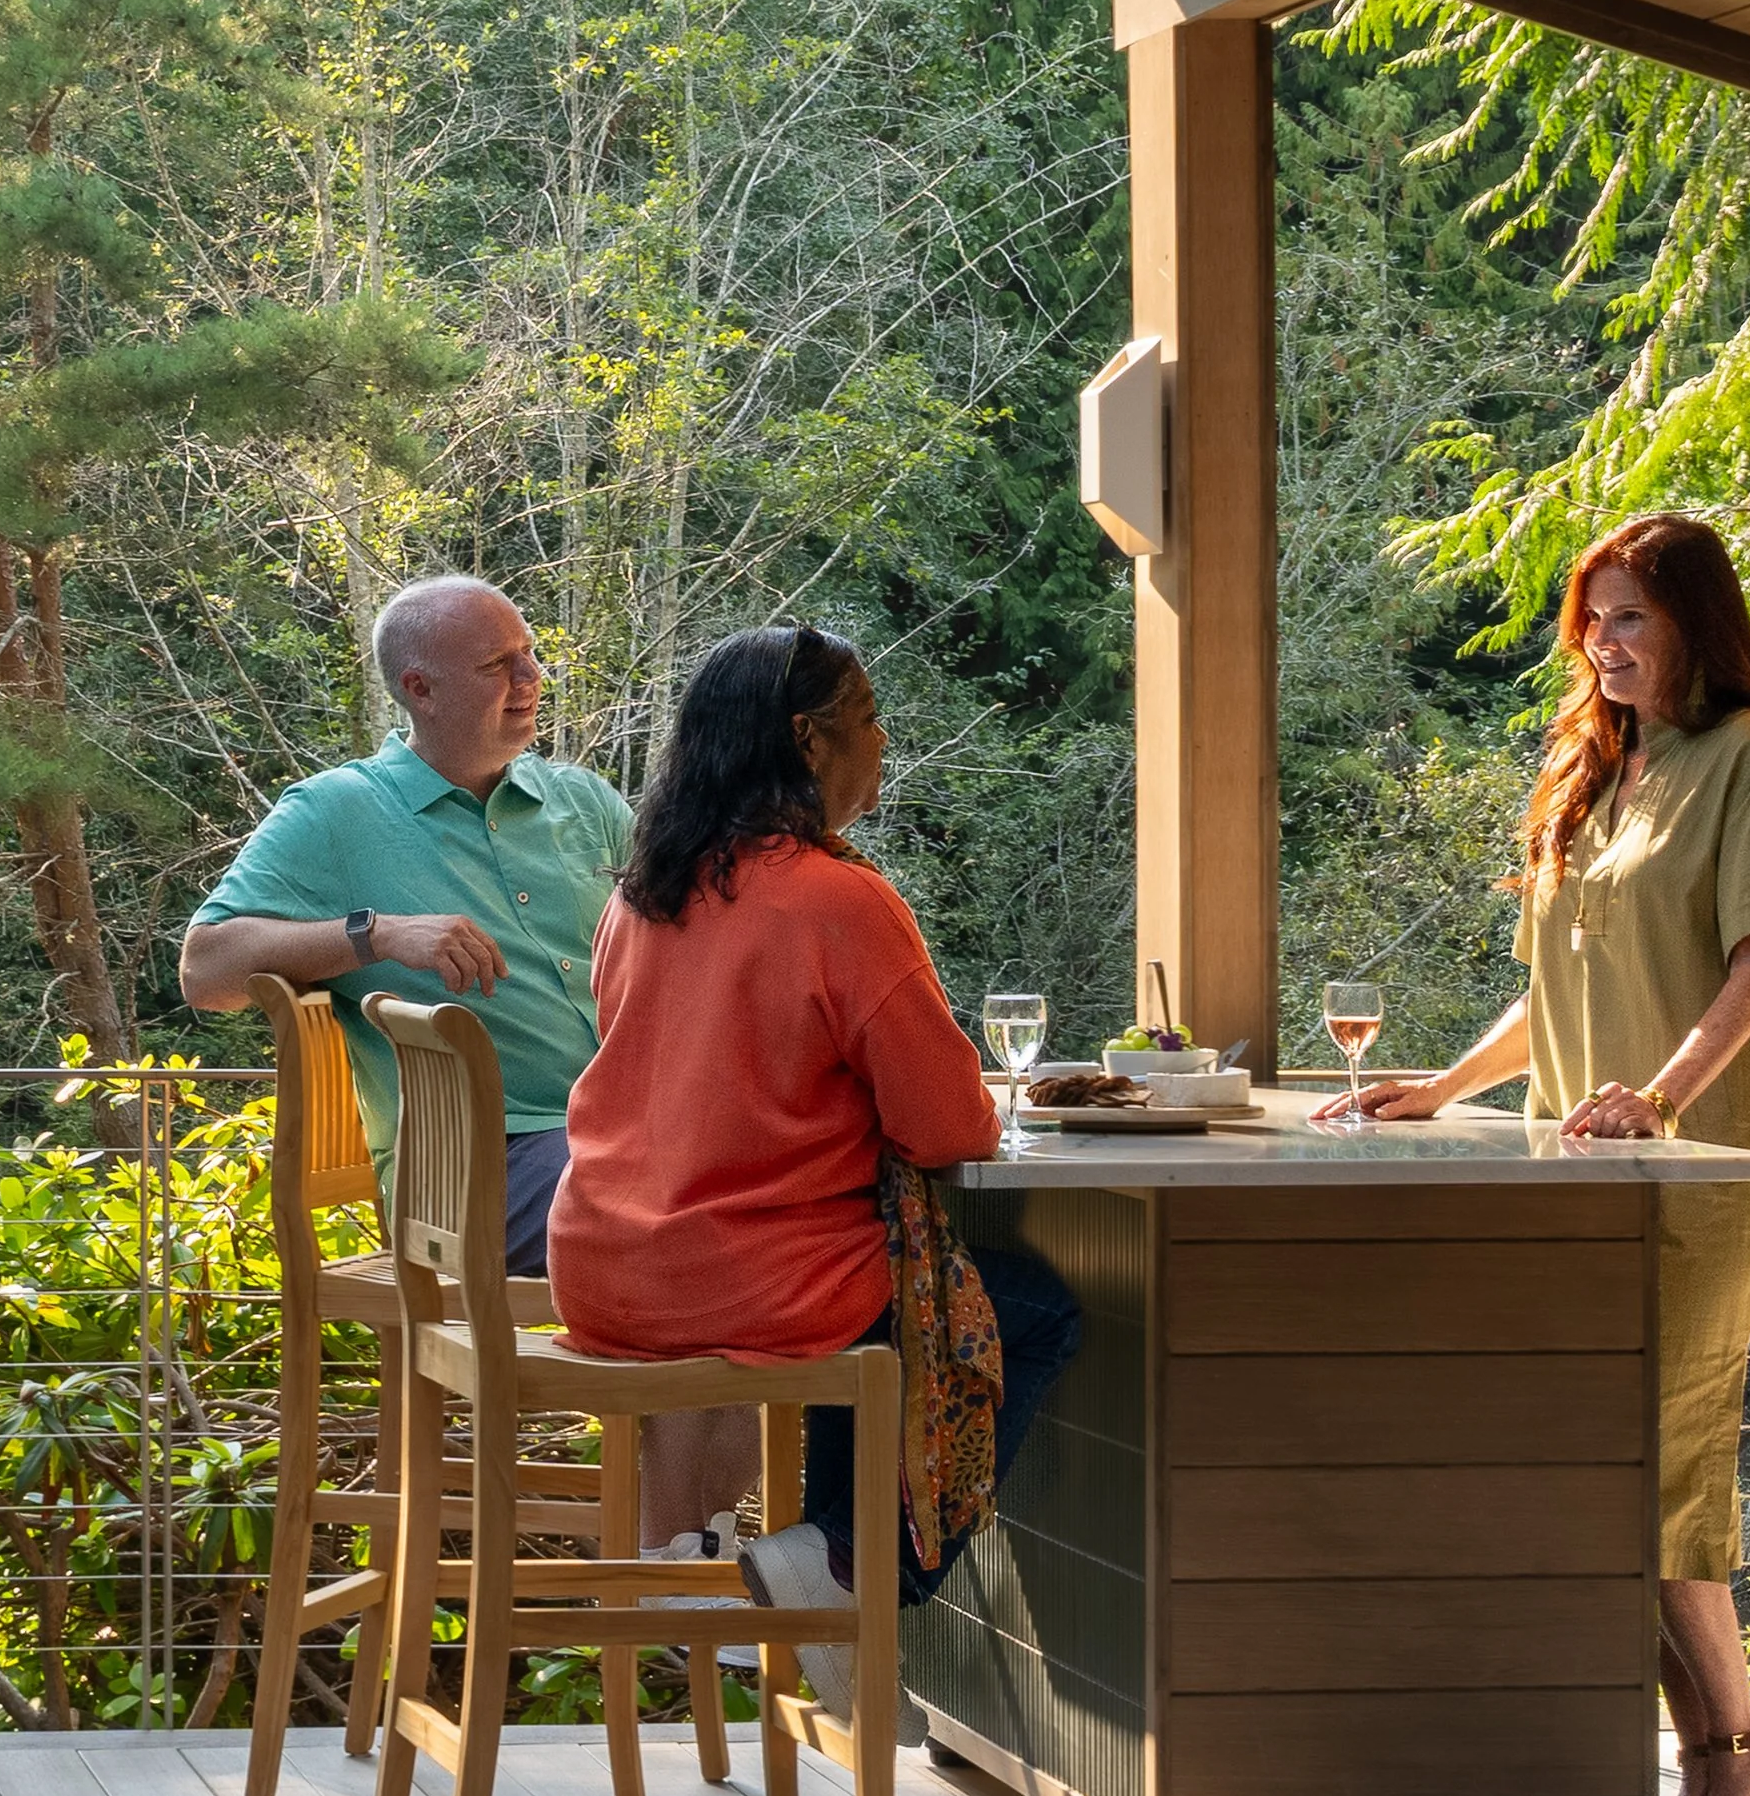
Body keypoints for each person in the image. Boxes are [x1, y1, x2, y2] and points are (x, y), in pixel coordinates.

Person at [1335, 512, 1750, 1796]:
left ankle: (1733, 1759)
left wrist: (1659, 1097)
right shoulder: (1599, 772)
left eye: (1630, 619)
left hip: (1697, 1176)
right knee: (1597, 1481)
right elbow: (1554, 988)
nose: (1602, 645)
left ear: (1693, 627)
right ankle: (1717, 1763)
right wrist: (1441, 1086)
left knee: (1661, 1476)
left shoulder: (1749, 759)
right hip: (1574, 1188)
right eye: (1591, 621)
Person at [546, 622, 1082, 1717]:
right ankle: (842, 1558)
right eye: (868, 719)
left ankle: (806, 1570)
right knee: (1026, 1313)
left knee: (880, 1302)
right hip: (747, 1278)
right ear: (807, 739)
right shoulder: (838, 900)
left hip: (608, 1267)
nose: (883, 742)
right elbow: (948, 1128)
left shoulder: (644, 894)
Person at [179, 576, 627, 1277]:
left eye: (529, 653)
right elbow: (205, 972)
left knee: (794, 1188)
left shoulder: (583, 801)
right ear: (420, 689)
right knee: (685, 1217)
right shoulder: (336, 812)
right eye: (497, 664)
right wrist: (375, 935)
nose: (530, 677)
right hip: (471, 1171)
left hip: (624, 1131)